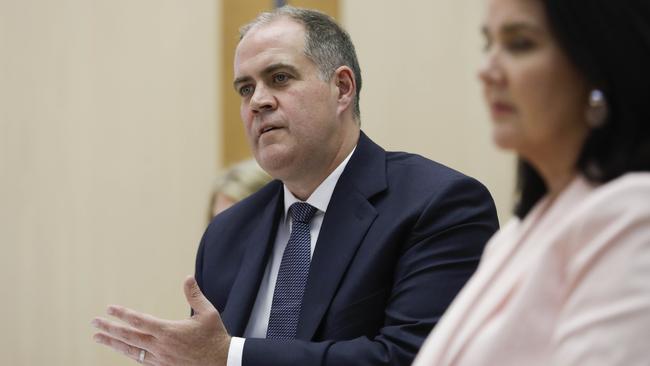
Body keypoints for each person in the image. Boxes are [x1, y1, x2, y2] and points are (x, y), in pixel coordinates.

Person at [91, 6, 498, 366]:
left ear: (342, 88)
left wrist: (232, 356)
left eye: (279, 78)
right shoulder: (227, 233)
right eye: (246, 88)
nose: (258, 102)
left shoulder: (439, 205)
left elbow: (414, 357)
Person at [412, 0, 650, 365]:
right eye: (488, 44)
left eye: (519, 44)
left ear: (598, 64)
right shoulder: (519, 232)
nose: (487, 70)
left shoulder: (633, 217)